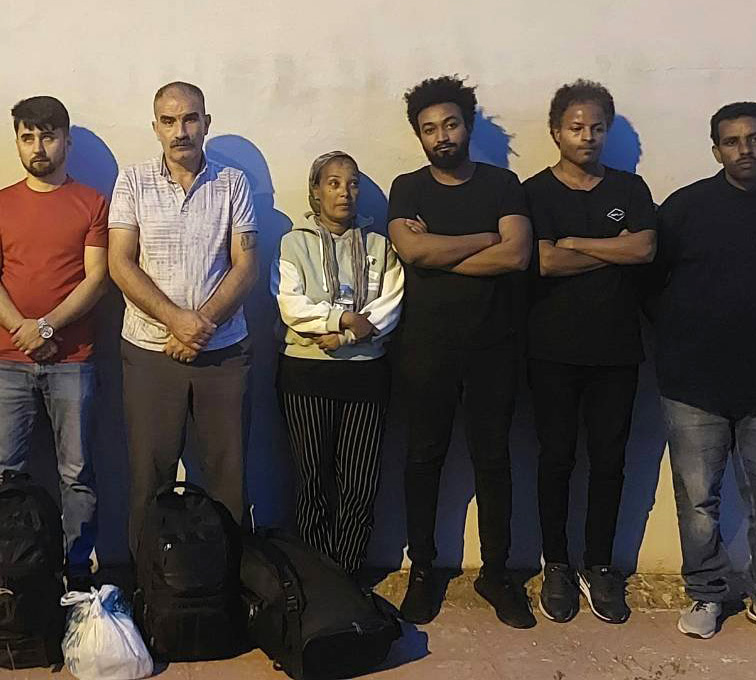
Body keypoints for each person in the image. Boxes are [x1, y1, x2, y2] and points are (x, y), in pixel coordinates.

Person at [655, 102, 756, 649]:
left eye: (755, 138)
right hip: (692, 384)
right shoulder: (684, 208)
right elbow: (653, 284)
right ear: (716, 149)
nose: (744, 149)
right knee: (698, 502)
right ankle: (706, 593)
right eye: (732, 141)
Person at [387, 75, 535, 629]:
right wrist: (483, 238)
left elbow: (516, 256)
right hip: (425, 348)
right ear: (419, 136)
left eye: (450, 124)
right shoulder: (408, 187)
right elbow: (412, 252)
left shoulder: (503, 184)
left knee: (494, 462)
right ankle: (423, 570)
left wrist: (439, 251)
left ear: (467, 126)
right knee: (423, 459)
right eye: (429, 129)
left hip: (495, 347)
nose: (441, 136)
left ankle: (497, 574)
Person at [109, 81, 259, 553]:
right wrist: (176, 320)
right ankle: (148, 582)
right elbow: (120, 263)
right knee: (149, 478)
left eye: (191, 119)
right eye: (169, 121)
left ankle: (229, 582)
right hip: (150, 351)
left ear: (206, 123)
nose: (181, 131)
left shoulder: (233, 183)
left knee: (228, 477)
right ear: (155, 127)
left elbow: (246, 265)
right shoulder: (132, 181)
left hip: (223, 351)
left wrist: (199, 325)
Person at [526, 80, 655, 625]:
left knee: (610, 461)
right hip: (551, 351)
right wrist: (612, 251)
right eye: (576, 127)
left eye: (597, 127)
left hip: (617, 351)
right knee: (555, 459)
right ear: (556, 132)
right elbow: (543, 262)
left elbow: (644, 248)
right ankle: (556, 564)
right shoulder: (535, 192)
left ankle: (600, 565)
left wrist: (577, 243)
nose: (587, 137)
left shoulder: (629, 188)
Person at [0, 96, 110, 588]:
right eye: (27, 137)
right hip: (5, 360)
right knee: (4, 473)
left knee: (76, 472)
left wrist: (47, 327)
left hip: (72, 359)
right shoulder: (0, 204)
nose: (38, 147)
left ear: (66, 141)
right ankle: (6, 574)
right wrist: (23, 330)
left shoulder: (92, 203)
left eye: (48, 137)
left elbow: (97, 279)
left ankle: (76, 573)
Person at [274, 151, 402, 577]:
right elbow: (291, 305)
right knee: (312, 480)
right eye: (333, 183)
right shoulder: (293, 243)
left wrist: (346, 336)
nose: (344, 192)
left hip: (366, 374)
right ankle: (317, 578)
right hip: (306, 373)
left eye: (352, 183)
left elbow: (389, 305)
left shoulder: (380, 245)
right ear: (315, 191)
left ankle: (348, 574)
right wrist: (342, 320)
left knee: (359, 482)